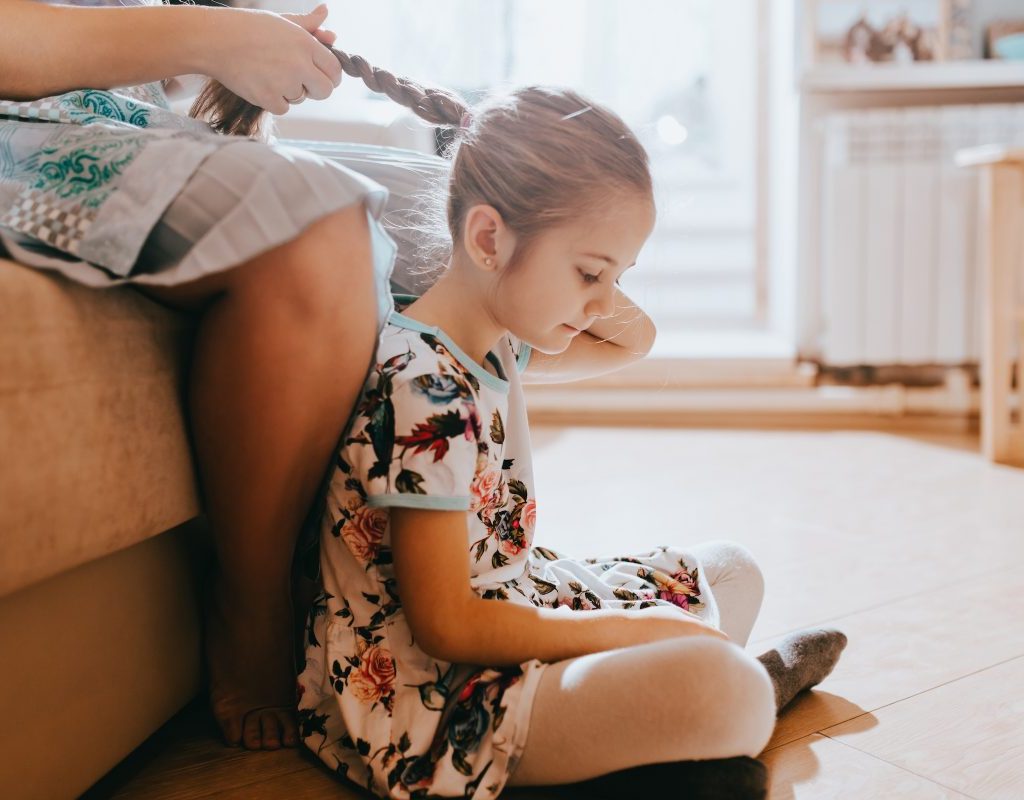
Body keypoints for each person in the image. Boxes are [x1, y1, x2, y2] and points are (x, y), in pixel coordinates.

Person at [1, 2, 849, 796]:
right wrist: (644, 636)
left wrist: (578, 253)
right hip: (437, 694)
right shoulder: (426, 383)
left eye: (614, 276)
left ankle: (672, 719)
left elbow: (631, 336)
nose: (599, 302)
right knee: (720, 686)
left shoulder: (487, 336)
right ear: (486, 238)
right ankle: (699, 719)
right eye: (590, 275)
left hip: (513, 598)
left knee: (732, 571)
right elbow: (448, 626)